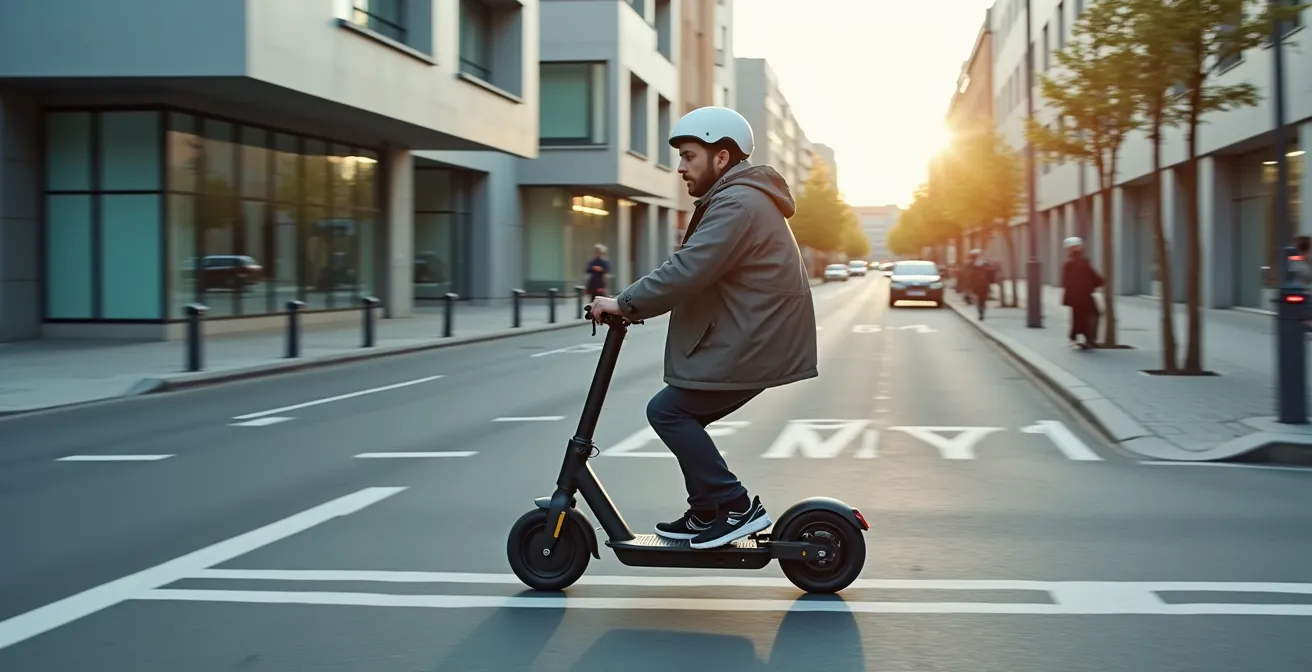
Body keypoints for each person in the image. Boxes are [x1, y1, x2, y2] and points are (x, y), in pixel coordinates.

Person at [586, 106, 818, 550]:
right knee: (681, 413)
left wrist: (624, 303)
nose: (681, 167)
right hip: (752, 337)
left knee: (668, 411)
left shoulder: (738, 203)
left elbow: (689, 268)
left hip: (754, 342)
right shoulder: (738, 198)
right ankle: (708, 510)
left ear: (722, 158)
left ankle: (733, 507)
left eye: (690, 156)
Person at [1060, 236, 1103, 350]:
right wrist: (1099, 282)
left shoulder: (1071, 262)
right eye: (1078, 246)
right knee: (1091, 315)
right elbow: (1090, 276)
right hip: (1082, 295)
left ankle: (1076, 337)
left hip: (1077, 295)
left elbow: (1065, 282)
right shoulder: (1079, 262)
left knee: (1079, 316)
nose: (1081, 247)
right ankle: (1088, 339)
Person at [963, 249, 996, 320]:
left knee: (979, 299)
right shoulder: (985, 264)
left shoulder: (971, 265)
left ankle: (981, 310)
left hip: (977, 285)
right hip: (982, 285)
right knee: (981, 299)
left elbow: (967, 275)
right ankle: (981, 310)